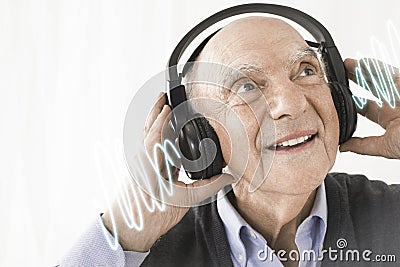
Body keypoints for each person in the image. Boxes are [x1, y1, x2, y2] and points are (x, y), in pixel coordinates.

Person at [59, 15, 400, 267]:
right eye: (247, 87)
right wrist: (123, 234)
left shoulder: (391, 214)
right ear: (197, 134)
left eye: (306, 70)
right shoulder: (144, 253)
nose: (292, 104)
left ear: (338, 98)